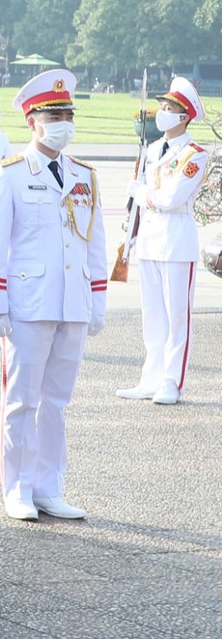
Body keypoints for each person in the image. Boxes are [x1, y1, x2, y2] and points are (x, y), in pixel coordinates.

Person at [0, 69, 106, 522]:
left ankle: (50, 486)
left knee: (56, 402)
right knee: (22, 400)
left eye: (67, 114)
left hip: (71, 302)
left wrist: (98, 299)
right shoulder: (9, 174)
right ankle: (17, 487)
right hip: (28, 305)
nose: (62, 123)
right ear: (32, 121)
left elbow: (94, 241)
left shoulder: (83, 175)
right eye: (53, 115)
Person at [118, 77, 209, 405]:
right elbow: (143, 202)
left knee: (176, 317)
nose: (162, 113)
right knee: (152, 315)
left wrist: (141, 193)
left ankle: (172, 381)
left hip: (176, 240)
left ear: (184, 116)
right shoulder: (152, 150)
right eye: (162, 107)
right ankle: (151, 376)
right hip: (150, 241)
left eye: (169, 109)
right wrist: (131, 229)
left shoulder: (194, 154)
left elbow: (171, 198)